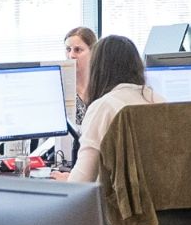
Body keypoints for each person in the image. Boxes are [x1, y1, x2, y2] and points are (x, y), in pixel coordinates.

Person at [66, 36, 160, 183]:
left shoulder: (104, 108)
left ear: (98, 69)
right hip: (163, 201)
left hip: (119, 204)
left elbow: (80, 181)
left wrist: (65, 181)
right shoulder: (160, 101)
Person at [64, 26, 97, 122]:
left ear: (93, 52)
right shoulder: (62, 89)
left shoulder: (103, 87)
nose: (71, 55)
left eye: (77, 50)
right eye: (68, 49)